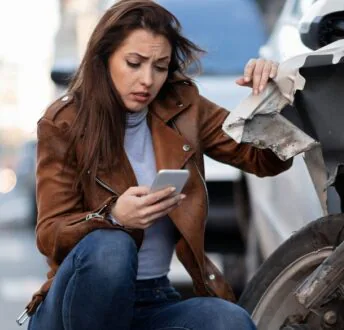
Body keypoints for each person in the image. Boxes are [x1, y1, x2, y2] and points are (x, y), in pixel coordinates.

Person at [25, 1, 292, 329]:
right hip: (77, 304)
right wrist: (113, 216)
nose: (147, 80)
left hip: (154, 299)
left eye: (161, 66)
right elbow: (49, 234)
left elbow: (264, 160)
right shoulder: (63, 122)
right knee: (112, 247)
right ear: (104, 58)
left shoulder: (183, 106)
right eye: (134, 63)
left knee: (228, 322)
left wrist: (272, 98)